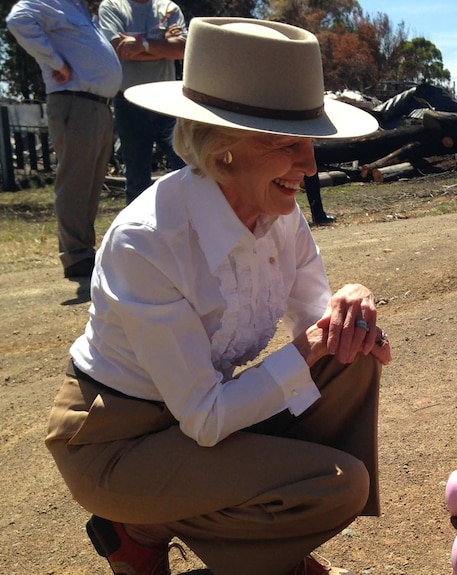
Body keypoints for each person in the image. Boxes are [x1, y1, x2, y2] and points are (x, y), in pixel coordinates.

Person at [44, 17, 386, 575]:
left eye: (310, 143)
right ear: (225, 149)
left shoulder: (280, 214)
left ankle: (231, 530)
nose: (310, 165)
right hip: (120, 443)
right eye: (290, 145)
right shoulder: (149, 241)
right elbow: (205, 417)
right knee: (335, 487)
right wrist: (311, 347)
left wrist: (353, 302)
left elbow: (318, 322)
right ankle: (142, 525)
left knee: (354, 354)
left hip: (200, 419)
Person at [6, 0, 121, 280]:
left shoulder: (81, 9)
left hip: (97, 105)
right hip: (74, 101)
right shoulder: (50, 2)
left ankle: (84, 251)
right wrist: (56, 62)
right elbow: (17, 20)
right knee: (75, 182)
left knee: (91, 184)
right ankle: (76, 256)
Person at [98, 0, 187, 204]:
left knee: (185, 167)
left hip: (166, 101)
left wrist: (140, 44)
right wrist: (162, 45)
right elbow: (119, 49)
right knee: (137, 177)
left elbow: (182, 49)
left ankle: (191, 227)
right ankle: (137, 233)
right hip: (129, 101)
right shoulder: (112, 7)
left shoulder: (168, 8)